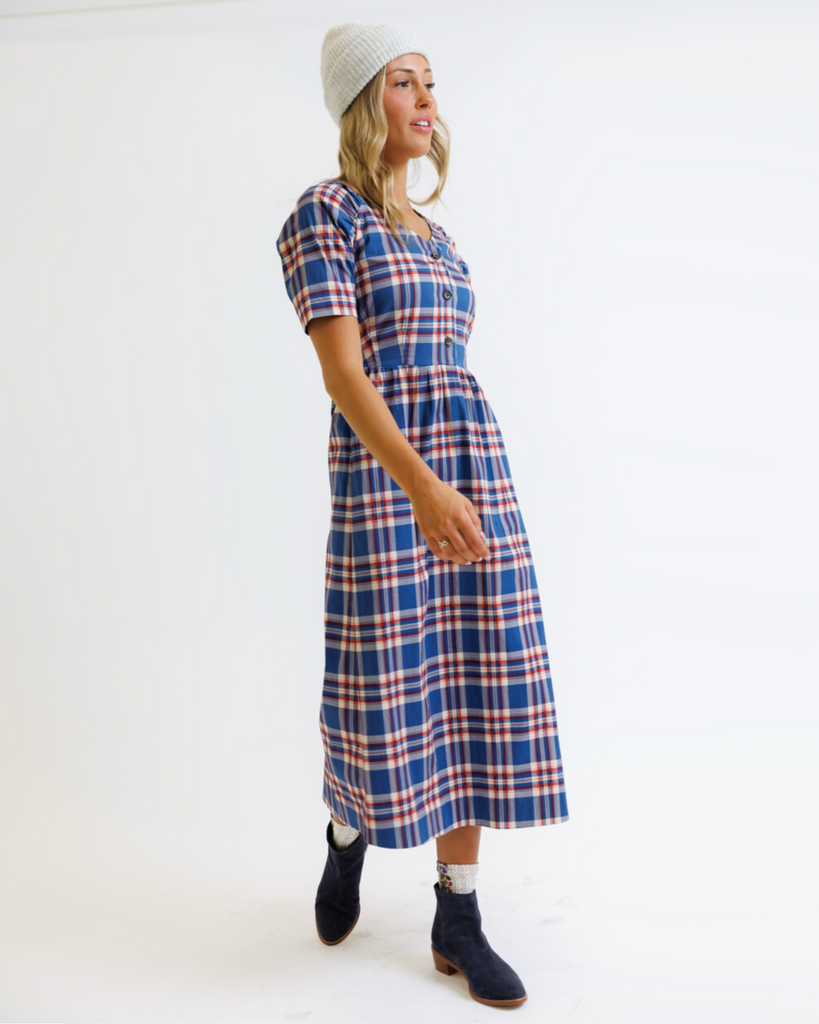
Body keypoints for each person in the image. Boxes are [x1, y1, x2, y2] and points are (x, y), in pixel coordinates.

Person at [276, 22, 569, 1009]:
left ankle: (459, 910)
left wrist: (458, 484)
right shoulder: (326, 217)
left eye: (432, 82)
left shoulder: (438, 240)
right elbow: (346, 377)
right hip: (387, 480)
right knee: (380, 681)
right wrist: (420, 486)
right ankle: (347, 831)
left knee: (477, 674)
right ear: (364, 102)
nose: (427, 99)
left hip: (471, 466)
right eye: (405, 82)